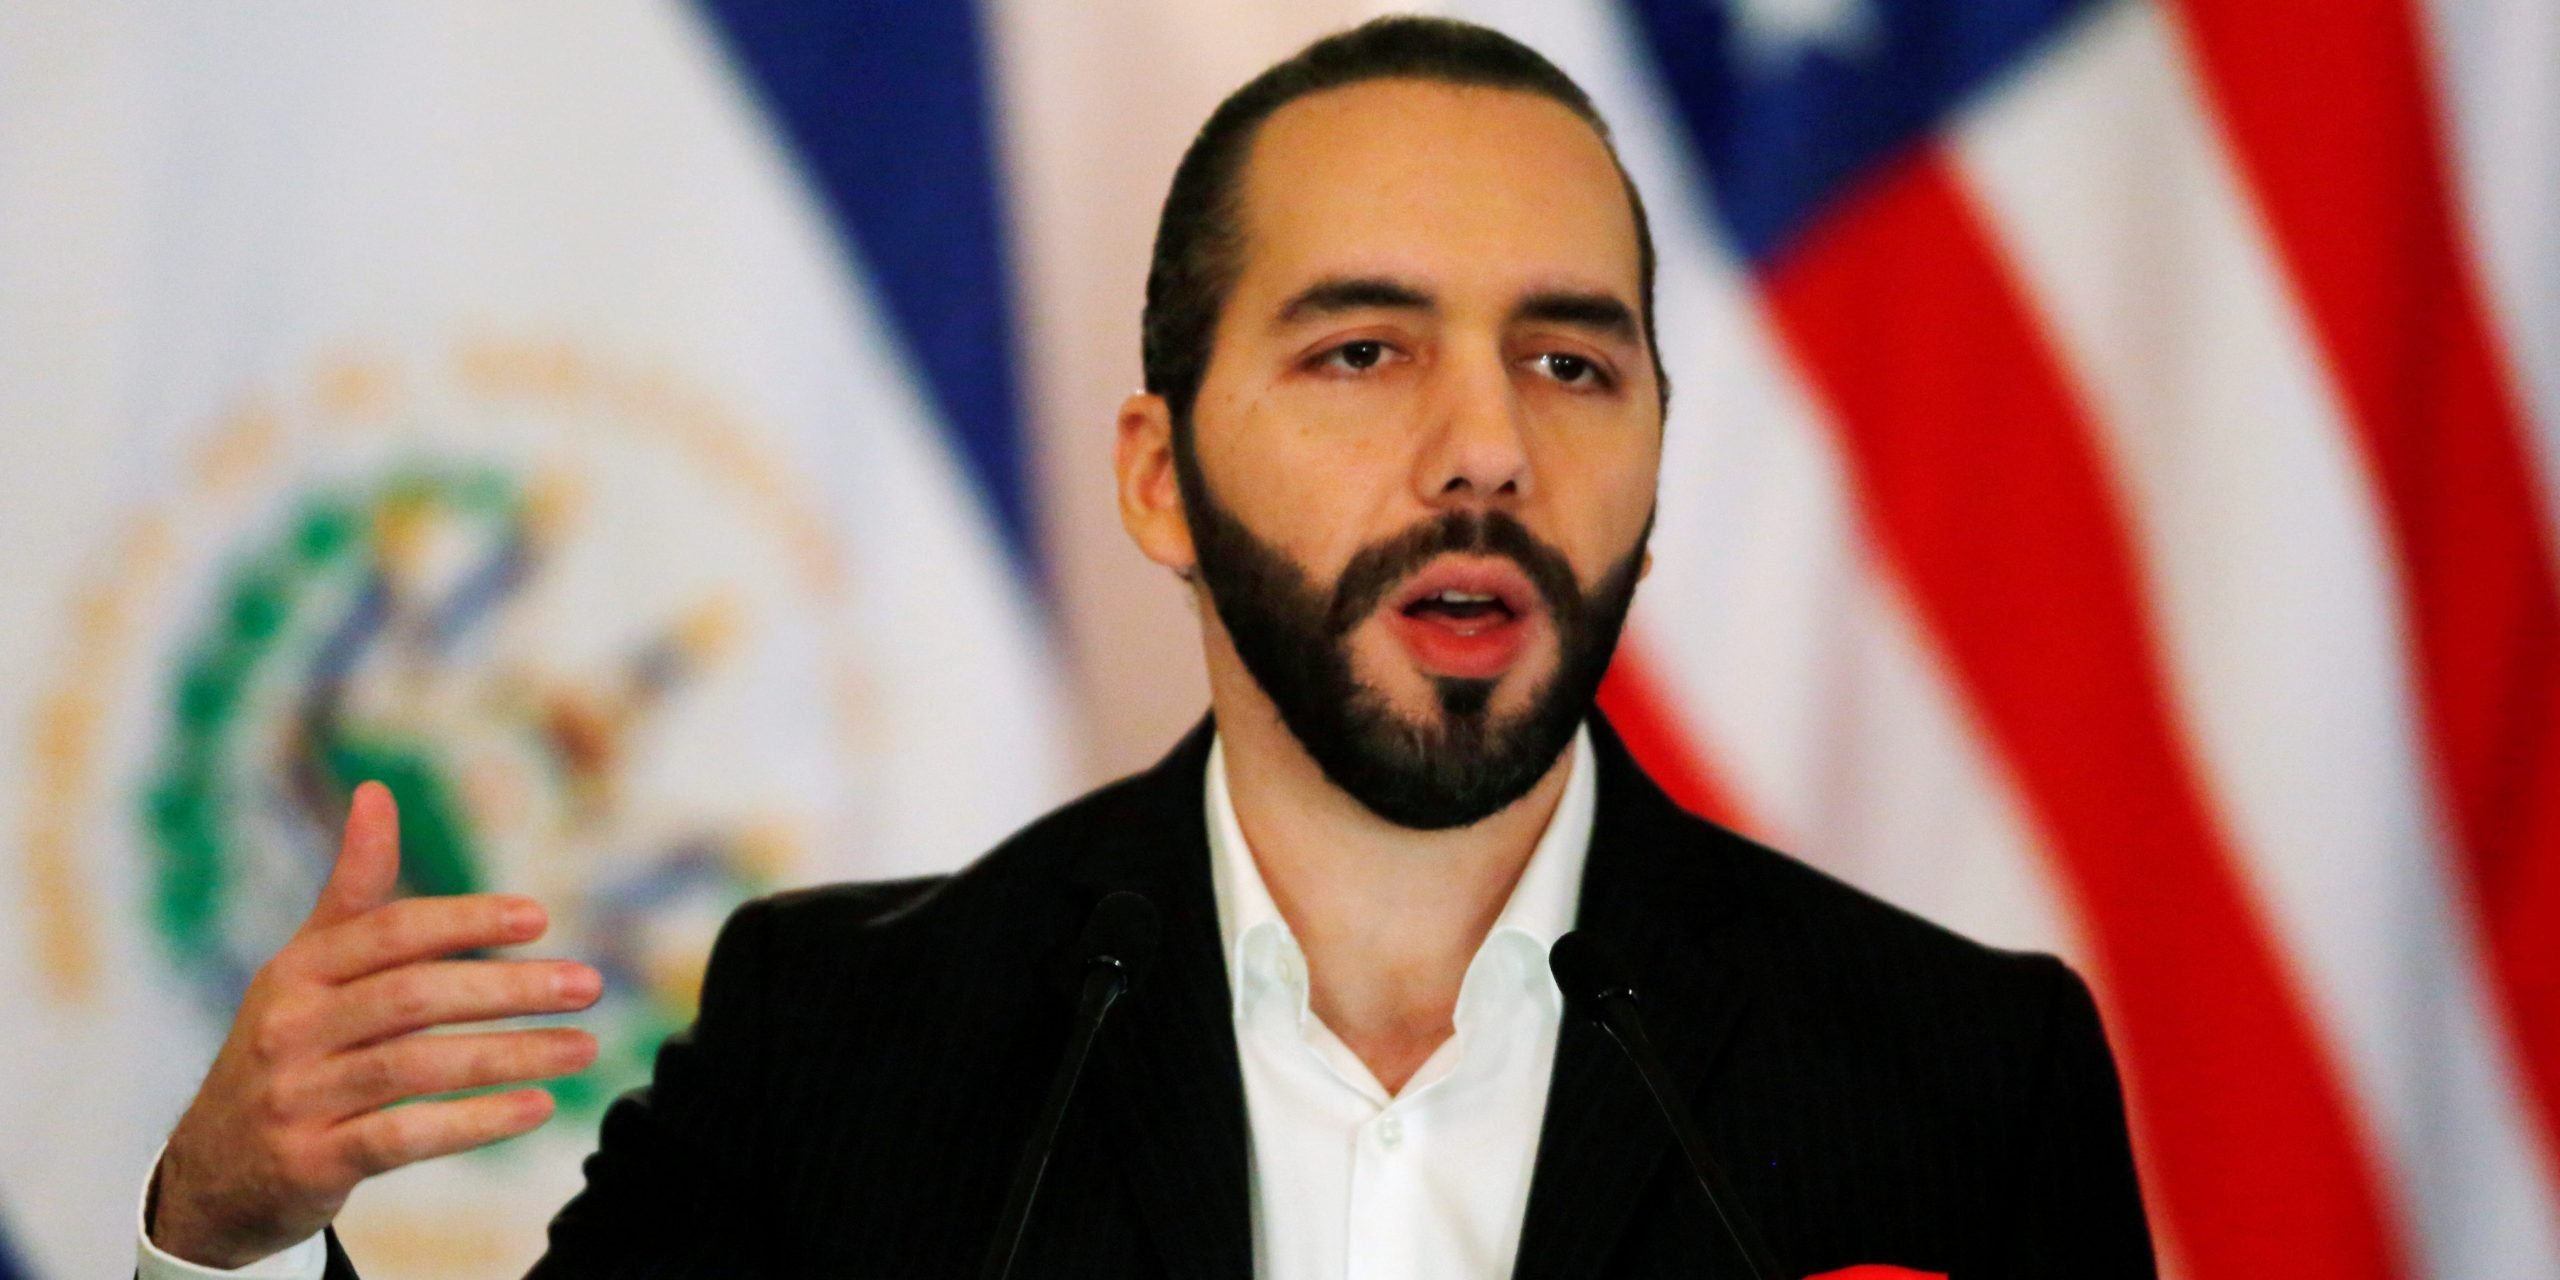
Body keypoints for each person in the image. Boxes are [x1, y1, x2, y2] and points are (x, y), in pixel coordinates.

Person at [140, 17, 2155, 1279]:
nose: (1484, 447)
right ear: (1158, 477)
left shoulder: (1958, 1083)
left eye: (1568, 359)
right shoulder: (842, 1050)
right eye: (1363, 351)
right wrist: (223, 1252)